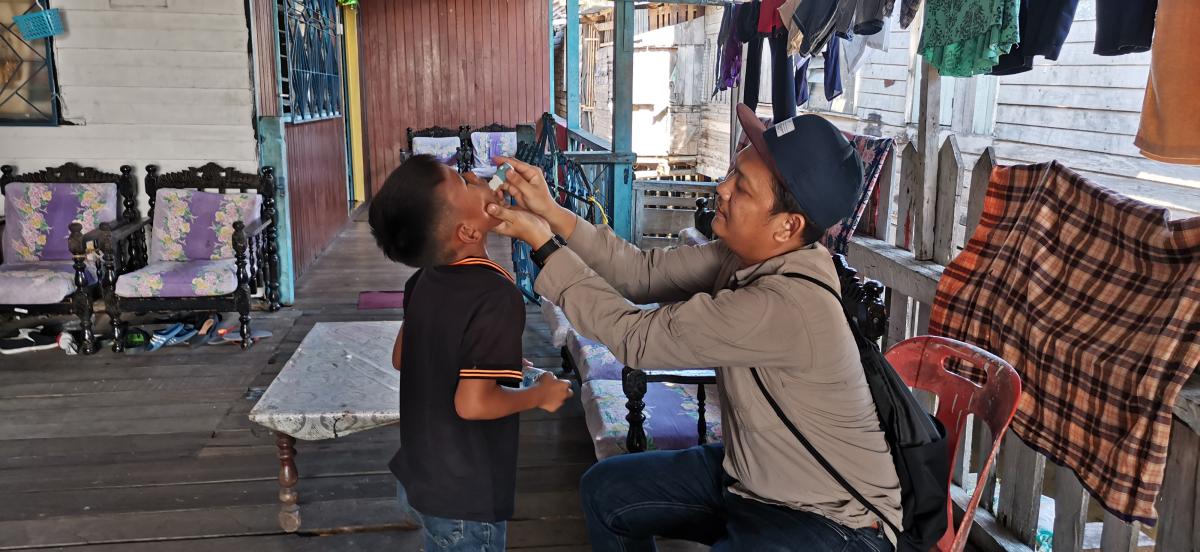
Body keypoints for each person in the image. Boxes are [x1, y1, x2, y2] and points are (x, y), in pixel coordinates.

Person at [485, 105, 900, 551]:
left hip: (830, 519)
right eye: (732, 172)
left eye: (742, 186)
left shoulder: (785, 305)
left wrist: (544, 244)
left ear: (787, 226)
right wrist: (551, 211)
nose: (722, 188)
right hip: (754, 479)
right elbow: (639, 274)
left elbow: (635, 338)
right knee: (607, 490)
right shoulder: (747, 254)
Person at [368, 154, 574, 552]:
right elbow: (473, 404)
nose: (471, 175)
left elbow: (402, 357)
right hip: (464, 500)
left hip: (419, 476)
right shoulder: (495, 296)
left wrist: (497, 363)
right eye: (462, 183)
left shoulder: (425, 277)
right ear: (467, 231)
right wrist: (539, 395)